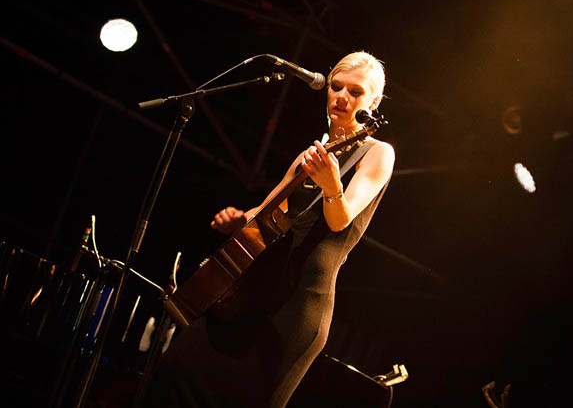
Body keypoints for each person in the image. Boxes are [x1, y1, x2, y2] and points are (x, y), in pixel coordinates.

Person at [139, 51, 395, 407]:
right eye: (336, 87)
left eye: (356, 92)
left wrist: (332, 186)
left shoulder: (378, 152)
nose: (342, 97)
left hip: (298, 308)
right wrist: (238, 218)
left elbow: (341, 219)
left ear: (374, 101)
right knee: (176, 371)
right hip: (253, 291)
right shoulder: (313, 151)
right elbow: (264, 211)